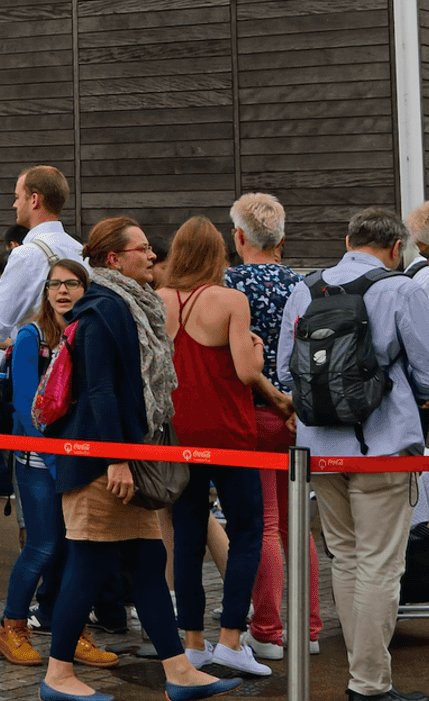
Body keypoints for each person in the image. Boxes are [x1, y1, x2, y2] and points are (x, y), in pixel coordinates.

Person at [42, 218, 237, 701]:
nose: (152, 256)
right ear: (114, 259)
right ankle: (57, 677)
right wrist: (118, 460)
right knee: (87, 564)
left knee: (149, 560)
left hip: (121, 459)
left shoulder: (128, 307)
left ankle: (179, 671)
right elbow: (101, 391)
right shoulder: (105, 309)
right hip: (101, 466)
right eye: (142, 249)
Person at [277, 206, 429, 701]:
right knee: (380, 564)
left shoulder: (305, 289)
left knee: (345, 560)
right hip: (384, 447)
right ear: (396, 249)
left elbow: (286, 372)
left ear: (348, 240)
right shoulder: (400, 289)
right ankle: (369, 686)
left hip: (320, 447)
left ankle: (362, 676)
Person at [160, 216, 284, 676]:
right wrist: (263, 367)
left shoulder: (158, 301)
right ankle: (232, 639)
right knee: (248, 530)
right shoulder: (231, 299)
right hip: (230, 433)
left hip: (178, 434)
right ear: (219, 253)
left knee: (188, 537)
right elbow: (247, 371)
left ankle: (192, 642)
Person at [0, 258, 107, 667]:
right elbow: (26, 408)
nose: (62, 291)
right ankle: (12, 628)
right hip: (39, 461)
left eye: (72, 284)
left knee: (74, 550)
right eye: (54, 285)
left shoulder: (89, 332)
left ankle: (71, 630)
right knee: (43, 546)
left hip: (79, 459)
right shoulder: (32, 336)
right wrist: (55, 458)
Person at [223, 193, 319, 663]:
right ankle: (311, 626)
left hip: (251, 410)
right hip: (299, 414)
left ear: (239, 237)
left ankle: (268, 629)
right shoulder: (304, 284)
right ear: (280, 237)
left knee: (264, 524)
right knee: (297, 523)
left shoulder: (228, 284)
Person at [0, 166, 83, 356]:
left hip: (39, 363)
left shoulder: (25, 255)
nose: (15, 204)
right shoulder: (80, 250)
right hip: (79, 358)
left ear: (34, 200)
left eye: (18, 197)